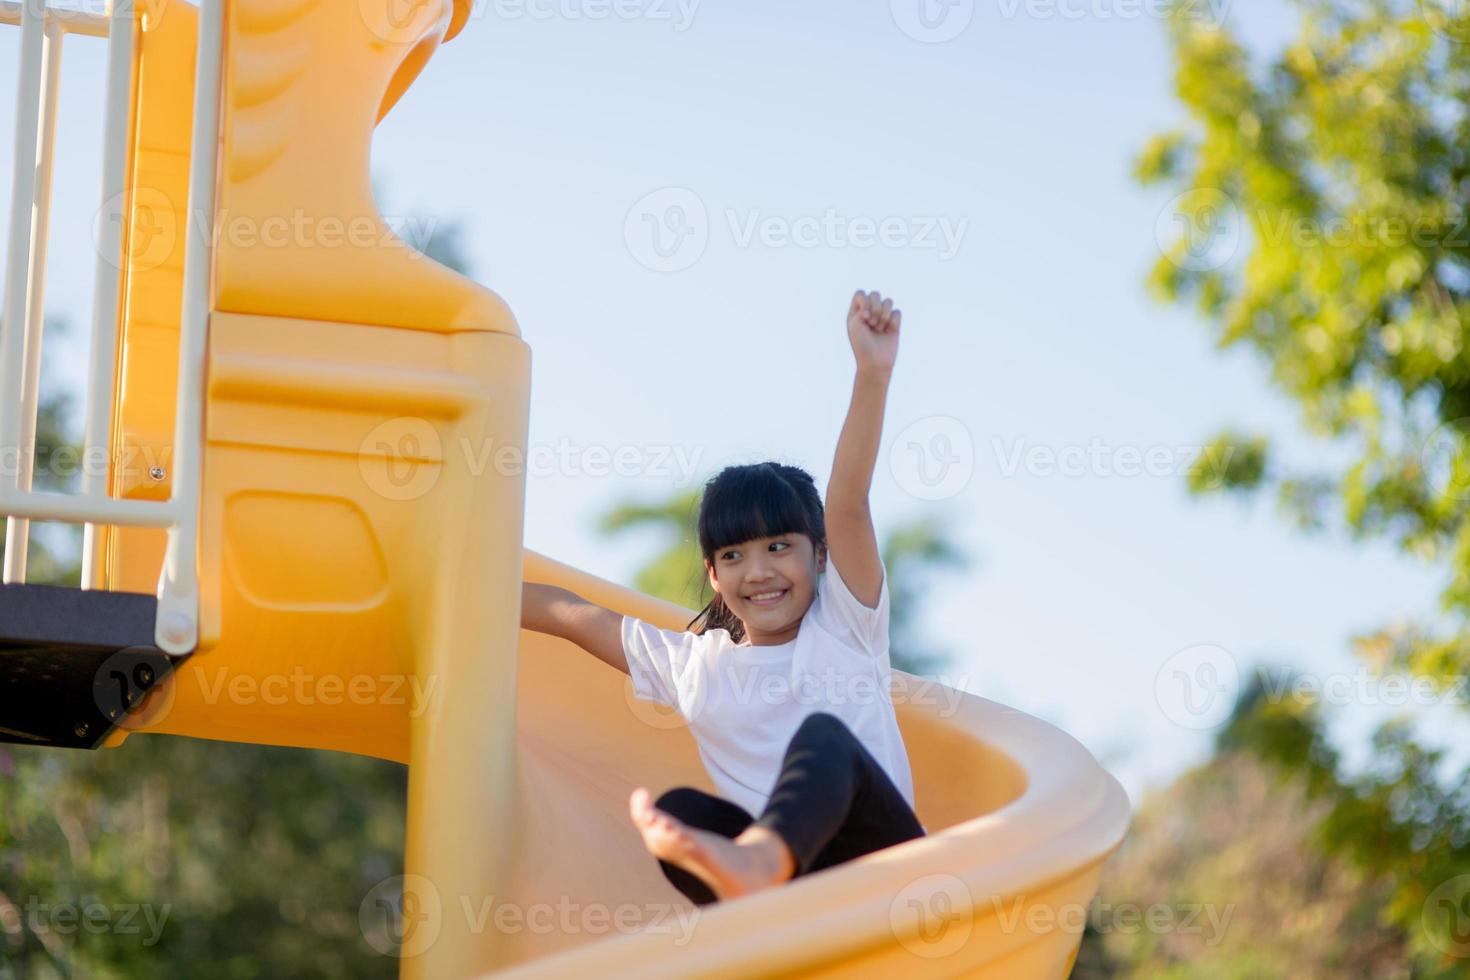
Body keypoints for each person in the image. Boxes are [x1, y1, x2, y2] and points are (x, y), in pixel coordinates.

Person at [520, 290, 924, 905]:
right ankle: (762, 917)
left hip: (890, 874)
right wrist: (466, 589)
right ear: (713, 575)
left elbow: (847, 502)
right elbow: (574, 617)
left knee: (823, 738)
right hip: (804, 898)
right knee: (681, 810)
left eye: (778, 547)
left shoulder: (846, 624)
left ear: (820, 555)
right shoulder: (695, 666)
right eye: (733, 556)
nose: (757, 571)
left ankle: (760, 866)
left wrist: (872, 373)